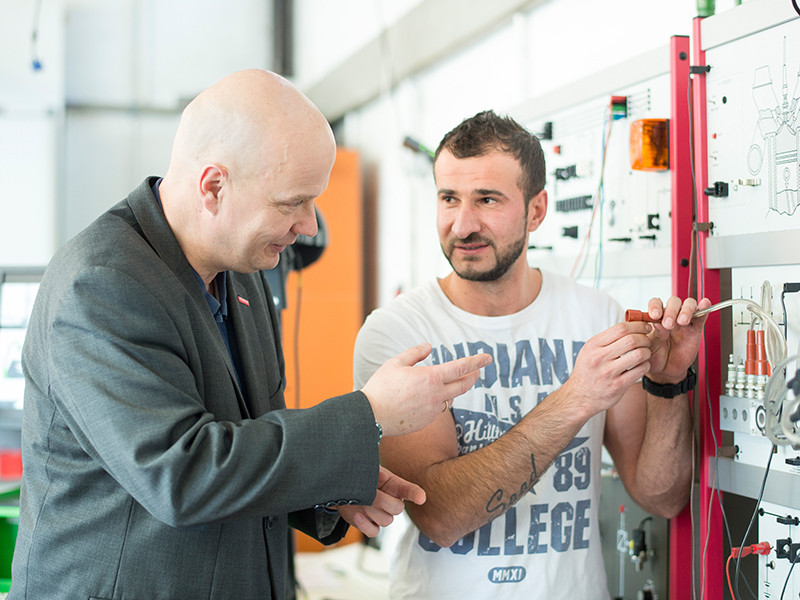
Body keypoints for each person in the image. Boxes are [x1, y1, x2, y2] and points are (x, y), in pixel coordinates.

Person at [9, 70, 491, 600]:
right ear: (213, 187)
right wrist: (369, 414)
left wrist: (326, 489)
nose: (308, 226)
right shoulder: (101, 285)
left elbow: (248, 440)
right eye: (291, 203)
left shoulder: (243, 272)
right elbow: (184, 476)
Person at [353, 110, 711, 599]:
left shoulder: (595, 315)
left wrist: (668, 386)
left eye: (487, 199)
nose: (463, 224)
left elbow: (662, 497)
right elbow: (438, 515)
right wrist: (577, 398)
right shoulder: (398, 333)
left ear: (536, 210)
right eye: (448, 198)